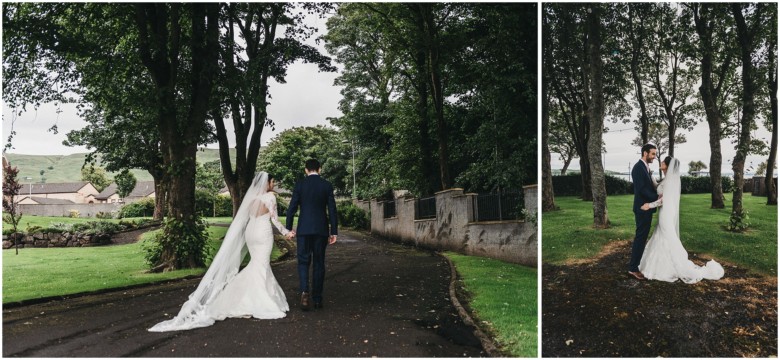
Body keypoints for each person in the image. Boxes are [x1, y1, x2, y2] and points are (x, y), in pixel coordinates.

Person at [148, 172, 289, 332]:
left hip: (251, 233)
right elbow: (275, 219)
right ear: (267, 183)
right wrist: (286, 232)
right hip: (263, 233)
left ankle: (238, 297)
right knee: (261, 265)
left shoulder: (252, 199)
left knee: (256, 264)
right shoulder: (270, 197)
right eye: (272, 181)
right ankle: (260, 301)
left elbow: (246, 218)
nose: (274, 184)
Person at [638, 156, 725, 283]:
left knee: (667, 236)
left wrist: (649, 205)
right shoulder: (667, 178)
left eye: (663, 162)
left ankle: (671, 266)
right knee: (662, 235)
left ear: (667, 165)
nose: (660, 162)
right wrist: (651, 176)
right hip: (666, 211)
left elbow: (663, 199)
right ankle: (659, 264)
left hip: (666, 211)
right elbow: (658, 187)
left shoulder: (671, 180)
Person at [285, 159, 338, 311]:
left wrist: (289, 228)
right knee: (319, 263)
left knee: (303, 262)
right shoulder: (326, 185)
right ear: (319, 169)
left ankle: (304, 292)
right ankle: (317, 299)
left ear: (306, 170)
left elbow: (292, 208)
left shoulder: (300, 185)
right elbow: (332, 210)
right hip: (321, 230)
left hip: (304, 230)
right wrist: (333, 231)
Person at [628, 144, 659, 280]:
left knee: (642, 237)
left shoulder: (645, 167)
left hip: (646, 207)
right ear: (645, 153)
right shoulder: (638, 168)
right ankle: (633, 268)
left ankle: (635, 265)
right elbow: (641, 190)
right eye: (652, 154)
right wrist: (657, 198)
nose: (654, 157)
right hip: (642, 208)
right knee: (640, 238)